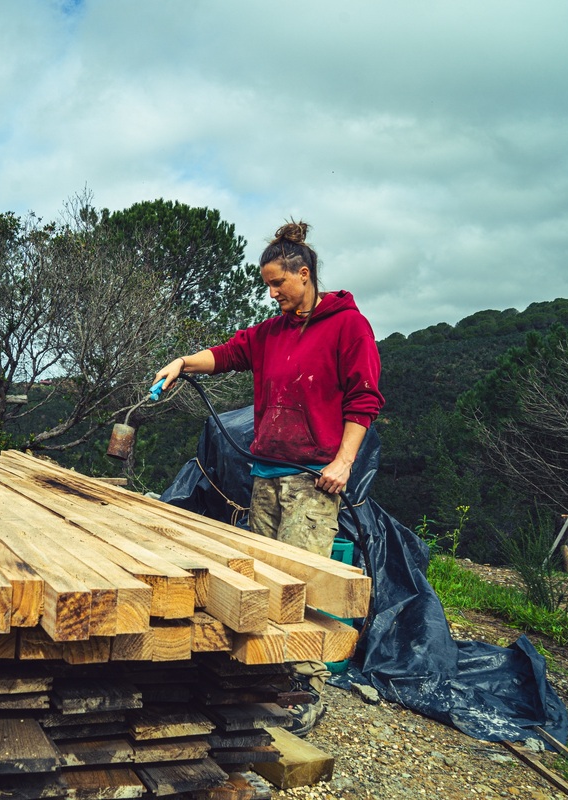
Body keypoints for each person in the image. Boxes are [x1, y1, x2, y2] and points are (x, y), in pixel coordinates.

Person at [153, 219, 384, 734]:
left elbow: (363, 401)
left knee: (302, 585)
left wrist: (343, 463)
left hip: (313, 478)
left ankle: (304, 688)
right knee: (262, 580)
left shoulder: (349, 327)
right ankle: (260, 678)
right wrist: (182, 363)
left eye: (278, 283)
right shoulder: (271, 332)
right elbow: (230, 354)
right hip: (266, 475)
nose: (272, 292)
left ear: (304, 274)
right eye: (267, 285)